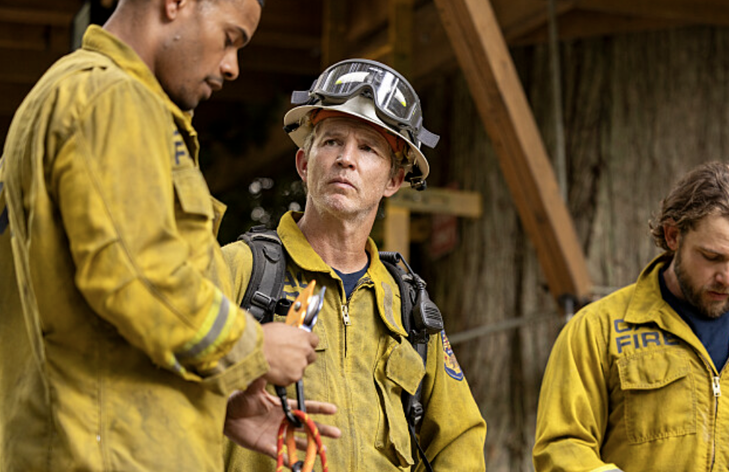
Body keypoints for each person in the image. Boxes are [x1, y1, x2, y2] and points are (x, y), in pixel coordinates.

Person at [0, 0, 333, 470]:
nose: (232, 67)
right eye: (231, 38)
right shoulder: (110, 99)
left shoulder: (75, 97)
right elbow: (140, 280)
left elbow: (97, 325)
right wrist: (255, 347)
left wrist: (215, 400)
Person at [222, 59, 487, 471]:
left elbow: (459, 437)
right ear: (305, 164)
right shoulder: (242, 271)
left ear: (393, 181)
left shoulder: (407, 307)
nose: (346, 158)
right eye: (331, 142)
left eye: (368, 148)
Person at [533, 161, 729, 471]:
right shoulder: (597, 331)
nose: (728, 278)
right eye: (712, 257)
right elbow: (562, 447)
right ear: (672, 236)